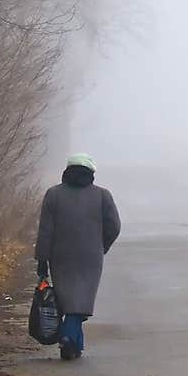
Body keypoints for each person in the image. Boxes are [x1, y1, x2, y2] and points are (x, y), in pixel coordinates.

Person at [35, 153, 121, 360]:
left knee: (68, 299)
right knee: (81, 301)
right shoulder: (102, 195)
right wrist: (102, 245)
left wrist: (42, 259)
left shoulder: (53, 195)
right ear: (91, 173)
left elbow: (45, 230)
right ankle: (67, 337)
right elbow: (114, 226)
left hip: (60, 255)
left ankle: (74, 346)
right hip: (90, 256)